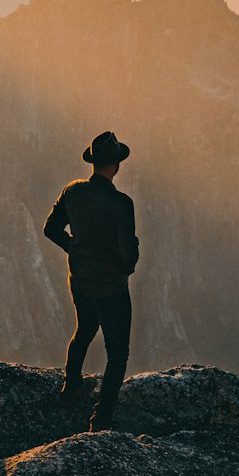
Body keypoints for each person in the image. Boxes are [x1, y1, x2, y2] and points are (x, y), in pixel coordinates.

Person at [43, 130, 139, 432]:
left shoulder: (73, 191)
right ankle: (101, 418)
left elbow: (51, 228)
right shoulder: (121, 204)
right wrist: (130, 258)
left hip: (80, 280)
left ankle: (70, 386)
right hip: (111, 288)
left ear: (93, 162)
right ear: (117, 165)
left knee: (84, 328)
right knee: (117, 352)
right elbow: (127, 254)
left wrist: (74, 248)